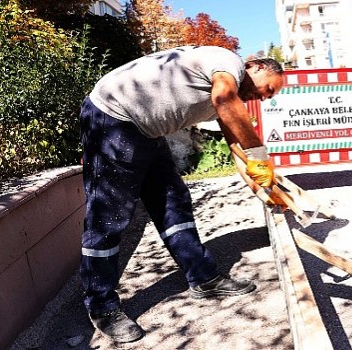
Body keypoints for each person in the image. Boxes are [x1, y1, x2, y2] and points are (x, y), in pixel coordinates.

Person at [78, 45, 285, 344]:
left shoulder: (224, 92)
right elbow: (226, 101)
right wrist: (260, 155)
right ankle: (101, 304)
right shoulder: (228, 64)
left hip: (146, 129)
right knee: (109, 218)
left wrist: (264, 188)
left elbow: (235, 147)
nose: (263, 98)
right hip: (112, 117)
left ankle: (203, 277)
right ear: (252, 66)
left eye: (268, 97)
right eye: (266, 89)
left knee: (173, 200)